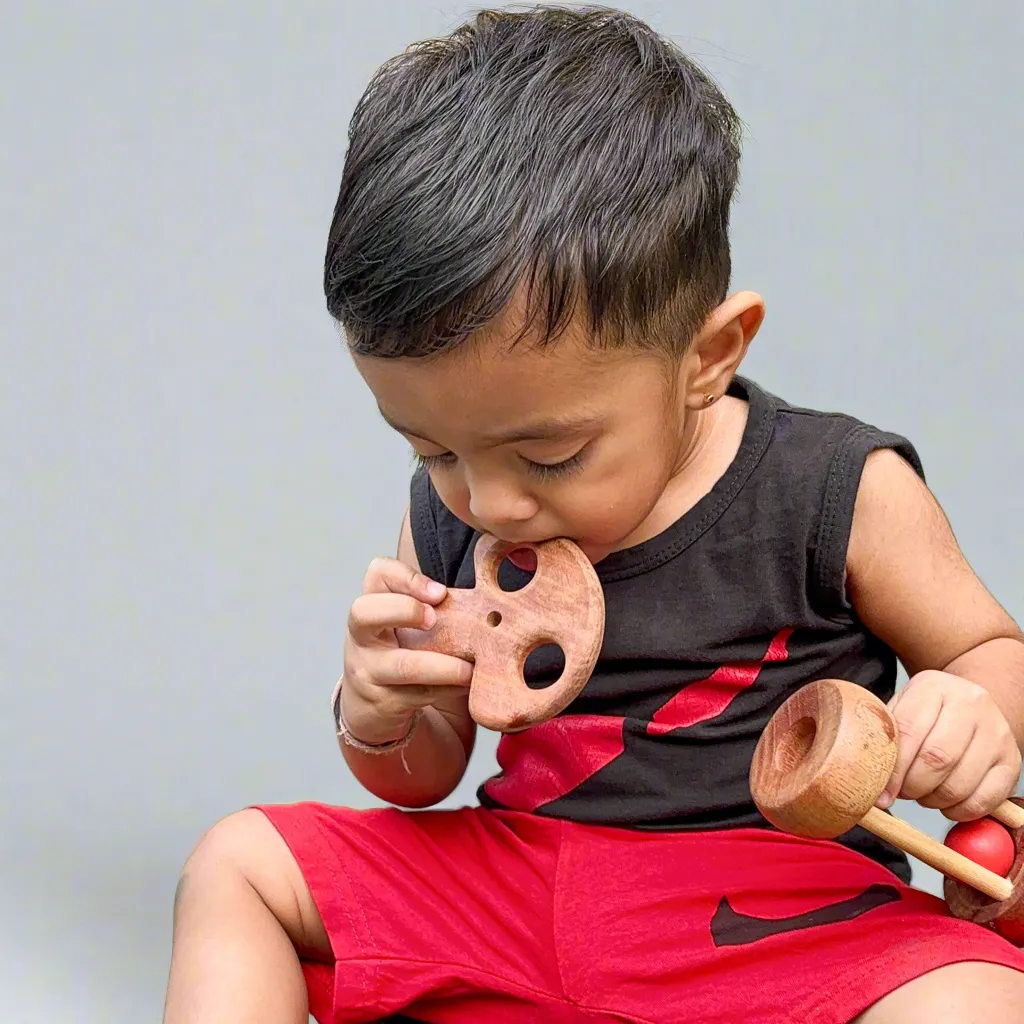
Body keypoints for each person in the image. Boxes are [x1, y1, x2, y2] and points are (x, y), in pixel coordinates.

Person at [162, 6, 1024, 1022]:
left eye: (550, 455)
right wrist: (379, 711)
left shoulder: (834, 486)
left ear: (707, 359)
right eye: (430, 448)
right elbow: (424, 774)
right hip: (523, 883)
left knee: (971, 993)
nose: (488, 502)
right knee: (236, 862)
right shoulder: (453, 517)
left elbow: (981, 646)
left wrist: (970, 716)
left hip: (776, 908)